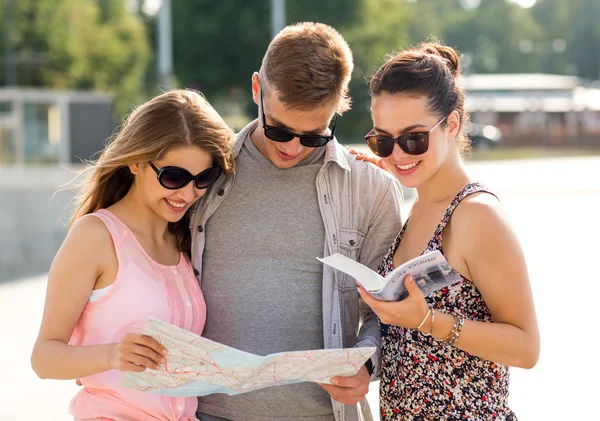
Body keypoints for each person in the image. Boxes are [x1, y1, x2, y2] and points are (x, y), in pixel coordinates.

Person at [189, 22, 403, 421]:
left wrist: (367, 365)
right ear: (257, 89)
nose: (291, 148)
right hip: (205, 413)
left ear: (339, 107)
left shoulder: (371, 189)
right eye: (279, 130)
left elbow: (390, 312)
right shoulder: (204, 171)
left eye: (313, 136)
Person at [352, 42, 540, 420]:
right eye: (383, 140)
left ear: (452, 125)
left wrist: (427, 321)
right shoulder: (419, 206)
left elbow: (526, 348)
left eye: (414, 138)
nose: (399, 154)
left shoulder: (477, 215)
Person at [30, 90, 235, 421]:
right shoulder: (95, 237)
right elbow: (43, 358)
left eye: (203, 179)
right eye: (174, 177)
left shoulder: (185, 240)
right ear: (136, 161)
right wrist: (112, 355)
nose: (187, 193)